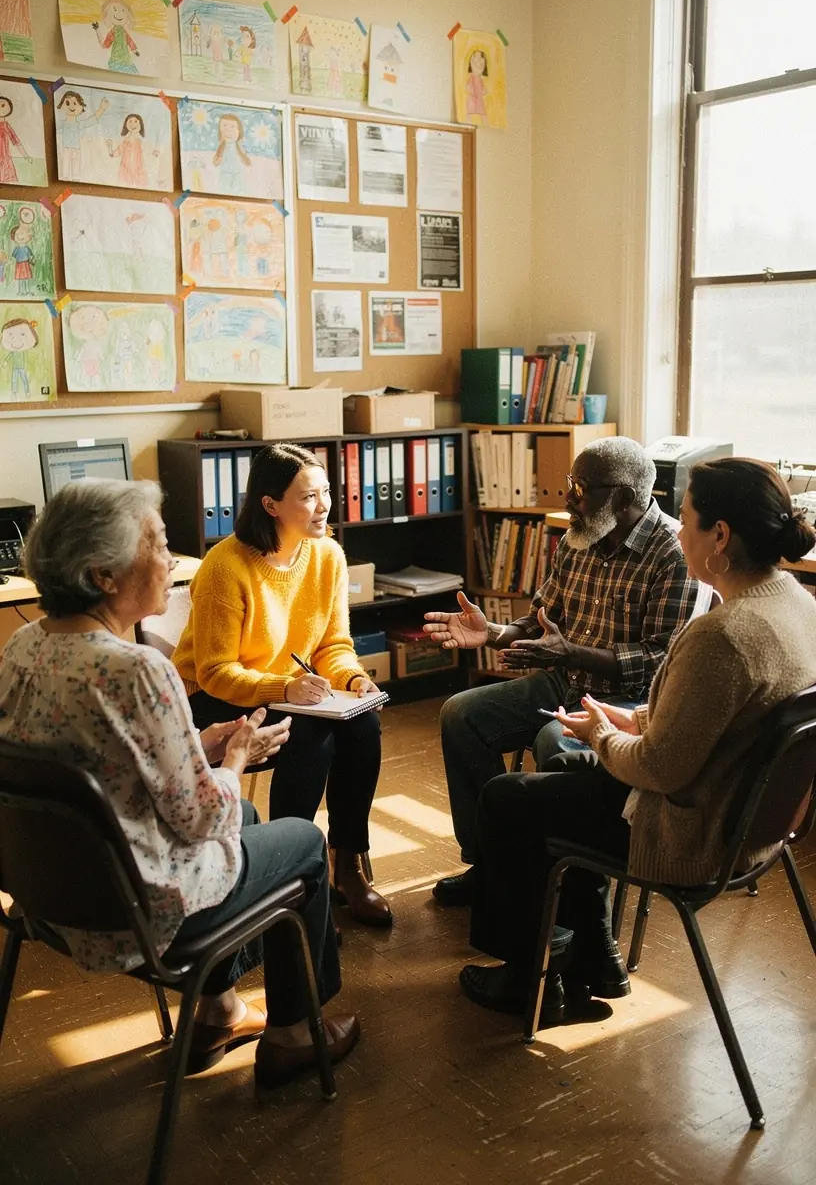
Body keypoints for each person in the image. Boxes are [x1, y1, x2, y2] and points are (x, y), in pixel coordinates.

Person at [0, 479, 359, 1085]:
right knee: (299, 840)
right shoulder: (139, 670)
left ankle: (218, 1011)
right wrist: (237, 757)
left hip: (54, 899)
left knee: (247, 822)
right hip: (141, 915)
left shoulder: (22, 647)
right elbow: (203, 818)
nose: (171, 562)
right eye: (159, 545)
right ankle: (296, 1032)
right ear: (104, 575)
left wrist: (202, 742)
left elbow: (103, 764)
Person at [458, 458, 816, 1021]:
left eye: (688, 517)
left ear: (719, 535)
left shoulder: (721, 633)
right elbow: (713, 716)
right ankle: (592, 958)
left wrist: (602, 733)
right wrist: (631, 722)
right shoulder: (796, 601)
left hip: (690, 832)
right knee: (561, 780)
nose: (678, 528)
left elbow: (659, 769)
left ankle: (529, 981)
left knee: (510, 798)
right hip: (745, 821)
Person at [424, 437, 703, 906]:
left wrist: (569, 653)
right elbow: (542, 619)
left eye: (580, 486)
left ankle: (568, 892)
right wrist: (492, 631)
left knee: (555, 743)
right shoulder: (581, 537)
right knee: (461, 714)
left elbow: (661, 659)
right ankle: (492, 866)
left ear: (623, 498)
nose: (568, 497)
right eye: (569, 483)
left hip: (633, 700)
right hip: (565, 681)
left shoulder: (675, 554)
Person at [172, 443, 392, 928]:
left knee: (362, 726)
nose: (324, 505)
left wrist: (353, 678)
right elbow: (214, 671)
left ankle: (348, 865)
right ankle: (294, 885)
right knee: (309, 738)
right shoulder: (225, 566)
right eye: (308, 497)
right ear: (270, 505)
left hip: (288, 693)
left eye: (326, 493)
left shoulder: (328, 556)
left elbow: (333, 644)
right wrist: (283, 690)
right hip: (213, 699)